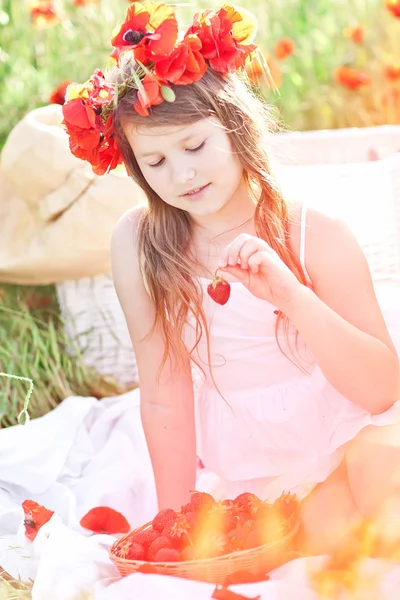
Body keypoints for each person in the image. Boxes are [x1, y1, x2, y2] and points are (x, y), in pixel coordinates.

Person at [62, 2, 400, 555]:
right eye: (156, 162)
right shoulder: (140, 243)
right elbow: (165, 391)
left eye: (194, 146)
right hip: (249, 447)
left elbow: (382, 389)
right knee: (285, 541)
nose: (183, 174)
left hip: (350, 422)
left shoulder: (313, 232)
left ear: (236, 125)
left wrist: (292, 297)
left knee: (371, 496)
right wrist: (174, 521)